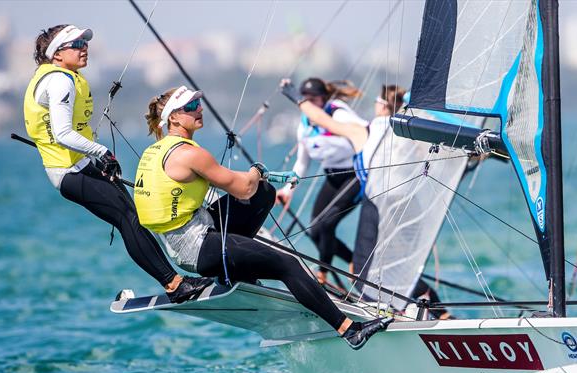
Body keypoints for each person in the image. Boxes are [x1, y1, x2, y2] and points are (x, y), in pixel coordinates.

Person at [135, 85, 392, 349]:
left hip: (187, 237)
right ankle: (349, 330)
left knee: (264, 193)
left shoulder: (156, 150)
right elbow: (243, 187)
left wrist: (257, 181)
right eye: (190, 107)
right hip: (197, 247)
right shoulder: (190, 153)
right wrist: (256, 170)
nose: (199, 109)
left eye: (198, 104)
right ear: (174, 118)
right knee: (288, 264)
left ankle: (230, 273)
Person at [22, 24, 208, 304]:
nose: (84, 47)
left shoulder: (58, 77)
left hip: (78, 165)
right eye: (76, 44)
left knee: (133, 215)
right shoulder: (60, 80)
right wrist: (103, 152)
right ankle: (174, 284)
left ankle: (176, 281)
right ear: (57, 54)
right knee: (128, 218)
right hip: (70, 172)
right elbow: (61, 133)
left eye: (85, 42)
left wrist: (94, 157)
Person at [281, 81, 453, 320]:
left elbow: (322, 119)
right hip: (410, 206)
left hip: (383, 207)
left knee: (368, 268)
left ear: (382, 106)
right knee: (395, 265)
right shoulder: (407, 133)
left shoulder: (365, 131)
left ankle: (387, 310)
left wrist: (296, 97)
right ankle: (441, 314)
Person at [275, 78, 368, 286]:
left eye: (313, 99)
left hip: (354, 176)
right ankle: (354, 261)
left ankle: (322, 274)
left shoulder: (338, 112)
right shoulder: (304, 126)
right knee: (316, 231)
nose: (309, 103)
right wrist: (287, 190)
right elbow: (301, 164)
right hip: (332, 177)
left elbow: (366, 130)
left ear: (323, 98)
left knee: (327, 224)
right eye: (305, 99)